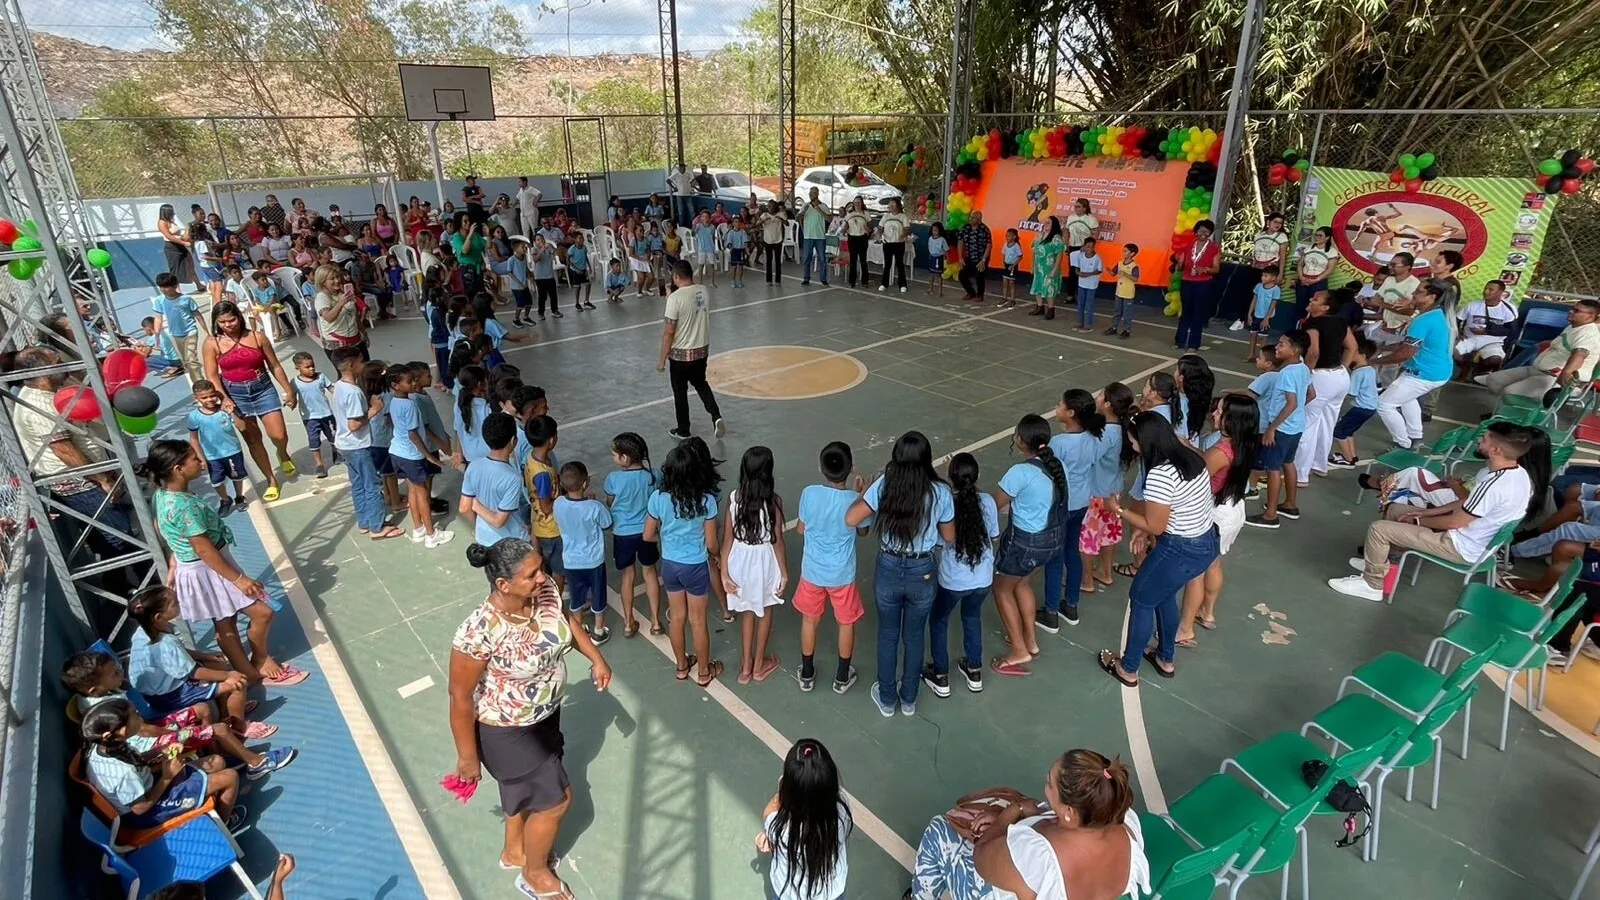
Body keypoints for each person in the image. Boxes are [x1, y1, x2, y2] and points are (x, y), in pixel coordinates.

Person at [448, 538, 611, 900]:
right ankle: (534, 875)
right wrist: (467, 757)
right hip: (506, 730)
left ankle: (514, 851)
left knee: (524, 791)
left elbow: (564, 619)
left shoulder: (544, 591)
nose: (543, 577)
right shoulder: (478, 631)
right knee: (556, 801)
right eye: (531, 574)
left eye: (541, 568)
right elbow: (460, 697)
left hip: (545, 716)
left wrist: (595, 657)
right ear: (503, 585)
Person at [141, 439, 306, 686]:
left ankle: (246, 675)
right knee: (262, 612)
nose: (200, 461)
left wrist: (174, 561)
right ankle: (260, 660)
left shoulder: (161, 496)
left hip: (195, 567)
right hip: (210, 568)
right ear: (178, 468)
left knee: (224, 620)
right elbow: (204, 549)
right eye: (193, 458)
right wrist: (240, 580)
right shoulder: (185, 506)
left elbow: (164, 530)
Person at [1329, 422, 1544, 602]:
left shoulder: (1493, 484)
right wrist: (1426, 514)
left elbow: (1455, 523)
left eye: (1485, 439)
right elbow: (1467, 503)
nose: (1479, 441)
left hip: (1459, 545)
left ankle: (1372, 584)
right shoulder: (1519, 475)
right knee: (1395, 509)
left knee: (1379, 529)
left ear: (1496, 450)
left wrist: (1419, 522)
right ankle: (1380, 563)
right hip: (1473, 537)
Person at [908, 749, 1150, 900]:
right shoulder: (1124, 822)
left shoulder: (1037, 854)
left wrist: (1015, 810)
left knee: (939, 830)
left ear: (1068, 810)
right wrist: (1035, 813)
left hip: (998, 876)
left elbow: (982, 855)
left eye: (1049, 783)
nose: (1045, 786)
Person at [1097, 413, 1219, 686]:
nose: (1131, 445)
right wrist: (1144, 527)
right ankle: (1165, 657)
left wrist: (1118, 510)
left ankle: (1128, 668)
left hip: (1179, 549)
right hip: (1206, 542)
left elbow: (1156, 525)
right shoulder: (1191, 457)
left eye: (1132, 440)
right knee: (1163, 597)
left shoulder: (1161, 475)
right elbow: (1177, 508)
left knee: (1141, 599)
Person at [847, 431, 956, 718]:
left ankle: (886, 699)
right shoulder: (941, 492)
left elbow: (852, 518)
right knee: (915, 635)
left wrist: (864, 491)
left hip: (889, 566)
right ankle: (909, 699)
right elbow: (949, 536)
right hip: (923, 570)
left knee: (887, 634)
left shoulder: (885, 484)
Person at [124, 586, 281, 742]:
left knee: (217, 665)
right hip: (170, 696)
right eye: (175, 603)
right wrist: (228, 675)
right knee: (239, 683)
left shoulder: (144, 632)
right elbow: (192, 673)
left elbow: (177, 654)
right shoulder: (164, 643)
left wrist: (204, 656)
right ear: (159, 617)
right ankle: (239, 727)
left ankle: (227, 713)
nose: (179, 603)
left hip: (159, 689)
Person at [80, 698, 247, 832]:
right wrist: (168, 777)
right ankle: (225, 825)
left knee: (218, 761)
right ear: (120, 731)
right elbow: (140, 809)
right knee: (230, 777)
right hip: (148, 812)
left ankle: (203, 798)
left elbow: (137, 757)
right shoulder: (122, 773)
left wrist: (163, 750)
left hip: (150, 785)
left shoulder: (107, 744)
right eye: (135, 715)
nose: (139, 716)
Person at [1175, 394, 1259, 647]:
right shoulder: (1242, 443)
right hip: (1232, 508)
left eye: (1220, 412)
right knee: (1213, 563)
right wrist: (1191, 449)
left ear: (1231, 419)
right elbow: (1206, 460)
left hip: (1214, 514)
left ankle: (1186, 629)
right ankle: (1207, 612)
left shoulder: (1222, 450)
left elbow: (1198, 476)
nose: (1214, 414)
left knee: (1195, 573)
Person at [990, 415, 1069, 676]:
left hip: (1025, 544)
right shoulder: (1057, 467)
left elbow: (995, 505)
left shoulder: (1019, 473)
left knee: (1002, 589)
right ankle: (1031, 641)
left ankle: (1019, 649)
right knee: (1021, 583)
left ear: (1021, 441)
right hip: (1053, 541)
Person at [645, 437, 725, 686]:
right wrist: (717, 555)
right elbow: (711, 543)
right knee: (698, 621)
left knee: (677, 618)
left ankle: (681, 666)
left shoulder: (658, 498)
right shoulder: (706, 501)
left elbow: (647, 535)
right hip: (696, 566)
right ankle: (704, 671)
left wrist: (667, 534)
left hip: (670, 565)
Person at [202, 300, 297, 503]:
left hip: (263, 388)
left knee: (278, 434)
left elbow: (275, 365)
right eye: (223, 322)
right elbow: (212, 375)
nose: (228, 325)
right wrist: (224, 398)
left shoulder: (257, 337)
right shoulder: (212, 343)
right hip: (235, 395)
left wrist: (288, 389)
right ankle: (271, 480)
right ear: (216, 322)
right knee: (253, 439)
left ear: (239, 316)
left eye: (232, 319)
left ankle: (283, 453)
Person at [922, 452, 998, 697]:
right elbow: (994, 535)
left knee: (939, 619)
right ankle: (974, 670)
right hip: (983, 577)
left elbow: (937, 542)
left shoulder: (945, 503)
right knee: (972, 616)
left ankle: (941, 674)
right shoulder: (987, 501)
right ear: (977, 476)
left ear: (950, 477)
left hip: (954, 580)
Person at [794, 441, 868, 694]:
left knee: (809, 620)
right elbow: (864, 531)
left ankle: (806, 673)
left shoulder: (809, 493)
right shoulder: (853, 501)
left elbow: (801, 529)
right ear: (851, 469)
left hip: (812, 572)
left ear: (820, 467)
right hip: (841, 575)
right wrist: (862, 498)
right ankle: (842, 676)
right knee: (845, 623)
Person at [719, 446, 787, 684]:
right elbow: (777, 541)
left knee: (747, 611)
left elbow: (727, 539)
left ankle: (745, 668)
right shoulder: (774, 502)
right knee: (765, 610)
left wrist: (724, 572)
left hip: (740, 559)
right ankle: (759, 665)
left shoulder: (734, 498)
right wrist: (785, 574)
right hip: (764, 561)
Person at [1037, 389, 1104, 631]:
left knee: (1055, 557)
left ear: (1071, 413)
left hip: (1063, 504)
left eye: (1060, 404)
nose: (1057, 407)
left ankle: (1051, 611)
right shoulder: (1094, 438)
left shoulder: (1059, 443)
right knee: (1072, 553)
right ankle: (1071, 605)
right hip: (1082, 502)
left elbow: (1050, 471)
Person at [756, 738, 853, 900]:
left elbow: (768, 812)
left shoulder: (778, 827)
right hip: (832, 893)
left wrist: (783, 791)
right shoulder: (843, 810)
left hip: (788, 894)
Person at [1368, 278, 1453, 450]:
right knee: (1408, 398)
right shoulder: (1438, 314)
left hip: (1425, 374)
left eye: (1419, 292)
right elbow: (1407, 345)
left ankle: (1404, 443)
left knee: (1384, 404)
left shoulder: (1424, 320)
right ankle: (1415, 436)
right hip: (1434, 371)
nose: (1413, 294)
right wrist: (1384, 349)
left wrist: (1374, 362)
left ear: (1432, 296)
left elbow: (1405, 353)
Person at [1245, 330, 1310, 528]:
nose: (1277, 347)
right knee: (1288, 463)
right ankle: (1290, 504)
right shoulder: (1303, 368)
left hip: (1281, 428)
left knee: (1273, 469)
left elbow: (1290, 403)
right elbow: (1311, 394)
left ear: (1295, 350)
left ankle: (1270, 514)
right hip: (1296, 426)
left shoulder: (1286, 373)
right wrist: (1297, 412)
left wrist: (1272, 428)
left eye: (1282, 344)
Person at [1475, 298, 1600, 400]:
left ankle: (1512, 421)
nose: (1571, 311)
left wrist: (1566, 373)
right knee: (1494, 380)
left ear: (1591, 317)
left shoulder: (1587, 333)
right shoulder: (1573, 327)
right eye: (1573, 308)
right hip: (1538, 369)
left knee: (1511, 392)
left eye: (1577, 311)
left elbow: (1580, 354)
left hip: (1553, 377)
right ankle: (1503, 412)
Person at [1293, 290, 1357, 484]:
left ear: (1325, 307)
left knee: (1307, 424)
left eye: (1315, 299)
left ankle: (1300, 473)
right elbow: (1352, 347)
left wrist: (1306, 375)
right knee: (1328, 422)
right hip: (1339, 376)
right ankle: (1319, 465)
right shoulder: (1340, 322)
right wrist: (1343, 368)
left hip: (1320, 376)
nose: (1311, 300)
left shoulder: (1313, 324)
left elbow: (1313, 353)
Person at [658, 260, 725, 441]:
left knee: (680, 392)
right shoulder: (703, 291)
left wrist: (662, 358)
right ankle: (716, 415)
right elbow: (689, 304)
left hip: (680, 355)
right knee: (701, 384)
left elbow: (669, 331)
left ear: (676, 276)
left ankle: (683, 429)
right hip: (700, 351)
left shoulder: (675, 299)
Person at [605, 432, 663, 637]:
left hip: (622, 534)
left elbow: (610, 502)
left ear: (624, 458)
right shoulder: (653, 476)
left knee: (627, 576)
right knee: (650, 573)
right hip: (647, 532)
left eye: (614, 454)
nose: (613, 458)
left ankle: (629, 622)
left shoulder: (613, 479)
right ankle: (656, 622)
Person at [1082, 383, 1134, 591]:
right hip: (1114, 491)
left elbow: (1088, 457)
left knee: (1088, 537)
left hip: (1097, 493)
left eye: (1101, 395)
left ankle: (1086, 580)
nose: (1097, 396)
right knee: (1108, 532)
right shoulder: (1122, 428)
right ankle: (1105, 572)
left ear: (1108, 404)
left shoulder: (1106, 433)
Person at [554, 461, 612, 641]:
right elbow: (607, 523)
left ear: (562, 484)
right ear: (586, 483)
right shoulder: (594, 507)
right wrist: (594, 502)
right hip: (593, 560)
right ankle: (599, 630)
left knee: (576, 597)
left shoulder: (558, 503)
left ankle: (578, 630)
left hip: (571, 560)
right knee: (599, 595)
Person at [186, 381, 249, 514]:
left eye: (212, 395)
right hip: (212, 456)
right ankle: (225, 499)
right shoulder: (194, 416)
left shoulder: (225, 410)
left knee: (237, 476)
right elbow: (193, 439)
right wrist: (201, 458)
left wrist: (232, 413)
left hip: (233, 451)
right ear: (196, 398)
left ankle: (239, 497)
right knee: (217, 481)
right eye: (204, 397)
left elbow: (242, 427)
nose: (209, 399)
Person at [1330, 337, 1381, 468]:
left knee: (1339, 432)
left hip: (1360, 407)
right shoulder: (1370, 369)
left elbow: (1350, 392)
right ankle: (1352, 456)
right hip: (1370, 408)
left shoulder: (1358, 372)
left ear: (1362, 355)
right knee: (1348, 431)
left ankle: (1347, 459)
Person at [1453, 280, 1517, 376]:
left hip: (1492, 342)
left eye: (1491, 290)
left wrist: (1487, 331)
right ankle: (1465, 368)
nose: (1486, 292)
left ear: (1500, 292)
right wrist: (1458, 334)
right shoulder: (1473, 305)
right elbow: (1457, 320)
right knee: (1451, 351)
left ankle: (1478, 372)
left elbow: (1511, 331)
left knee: (1494, 360)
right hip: (1469, 338)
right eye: (1486, 289)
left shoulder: (1508, 309)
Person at [1174, 220, 1220, 351]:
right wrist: (1179, 264)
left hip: (1204, 283)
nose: (1203, 233)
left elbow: (1216, 269)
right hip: (1187, 281)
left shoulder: (1214, 248)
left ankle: (1194, 344)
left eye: (1207, 231)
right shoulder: (1189, 245)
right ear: (1196, 231)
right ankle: (1179, 341)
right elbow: (1180, 265)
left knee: (1198, 313)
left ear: (1210, 233)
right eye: (1201, 230)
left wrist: (1205, 269)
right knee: (1185, 312)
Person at [152, 272, 203, 381]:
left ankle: (199, 383)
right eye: (161, 287)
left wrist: (208, 332)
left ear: (175, 286)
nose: (164, 289)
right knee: (185, 360)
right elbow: (158, 318)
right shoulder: (159, 301)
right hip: (175, 334)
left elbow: (198, 315)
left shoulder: (186, 299)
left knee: (191, 359)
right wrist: (156, 336)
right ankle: (194, 379)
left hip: (190, 331)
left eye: (167, 286)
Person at [1029, 216, 1065, 320]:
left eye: (1048, 223)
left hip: (1049, 267)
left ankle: (1051, 309)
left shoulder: (1056, 238)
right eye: (1045, 222)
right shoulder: (1039, 236)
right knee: (1038, 287)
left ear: (1054, 225)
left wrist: (1054, 270)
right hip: (1039, 267)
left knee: (1049, 289)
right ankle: (1039, 307)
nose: (1045, 224)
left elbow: (1059, 255)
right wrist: (1032, 266)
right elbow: (1034, 251)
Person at [1246, 266, 1281, 361]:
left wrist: (1266, 318)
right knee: (1253, 335)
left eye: (1266, 276)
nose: (1263, 278)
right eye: (1262, 275)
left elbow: (1273, 305)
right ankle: (1251, 355)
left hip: (1266, 317)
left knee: (1262, 338)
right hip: (1256, 315)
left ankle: (1262, 357)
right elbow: (1254, 300)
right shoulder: (1258, 286)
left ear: (1273, 278)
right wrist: (1250, 313)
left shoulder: (1276, 289)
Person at [156, 203, 195, 286]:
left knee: (189, 264)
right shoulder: (162, 222)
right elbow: (169, 236)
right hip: (172, 247)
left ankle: (198, 284)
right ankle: (176, 288)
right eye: (171, 211)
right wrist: (183, 243)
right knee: (175, 269)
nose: (173, 212)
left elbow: (178, 234)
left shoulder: (171, 221)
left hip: (180, 245)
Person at [957, 212, 992, 302]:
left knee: (980, 276)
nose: (971, 219)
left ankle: (980, 295)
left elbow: (989, 245)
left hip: (981, 257)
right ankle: (971, 292)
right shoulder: (966, 228)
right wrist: (960, 257)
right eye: (971, 217)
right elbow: (960, 241)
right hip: (969, 256)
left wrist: (984, 260)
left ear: (979, 219)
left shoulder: (984, 229)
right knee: (962, 275)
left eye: (973, 218)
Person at [878, 198, 911, 292]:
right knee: (887, 264)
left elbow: (907, 230)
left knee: (900, 264)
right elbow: (880, 227)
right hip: (887, 243)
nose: (891, 205)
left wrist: (903, 235)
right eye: (890, 204)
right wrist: (879, 234)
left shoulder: (903, 217)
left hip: (899, 244)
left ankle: (902, 285)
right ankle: (884, 284)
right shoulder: (886, 216)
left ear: (898, 205)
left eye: (893, 203)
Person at [1070, 237, 1104, 332]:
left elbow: (1099, 270)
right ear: (1084, 246)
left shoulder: (1097, 258)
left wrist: (1088, 274)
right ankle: (1080, 322)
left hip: (1091, 285)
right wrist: (1078, 273)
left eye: (1091, 247)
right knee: (1080, 303)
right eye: (1087, 247)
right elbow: (1076, 264)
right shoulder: (1080, 255)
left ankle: (1088, 324)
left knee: (1088, 304)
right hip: (1082, 284)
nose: (1089, 249)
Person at [1107, 243, 1139, 338]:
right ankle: (1114, 327)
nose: (1123, 253)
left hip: (1128, 293)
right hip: (1119, 292)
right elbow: (1113, 273)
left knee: (1127, 313)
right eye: (1123, 251)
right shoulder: (1120, 263)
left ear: (1132, 253)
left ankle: (1126, 330)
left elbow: (1135, 279)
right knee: (1117, 311)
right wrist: (1109, 270)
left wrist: (1126, 274)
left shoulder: (1134, 266)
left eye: (1126, 251)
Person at [800, 188, 831, 286]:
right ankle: (806, 278)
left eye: (813, 193)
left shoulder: (823, 206)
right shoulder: (805, 206)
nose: (811, 195)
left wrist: (820, 210)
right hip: (808, 236)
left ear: (817, 194)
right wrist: (803, 211)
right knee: (807, 259)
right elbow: (797, 218)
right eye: (810, 193)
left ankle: (823, 279)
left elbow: (830, 218)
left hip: (820, 236)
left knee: (822, 259)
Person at [842, 198, 872, 288]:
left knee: (863, 260)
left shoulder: (866, 214)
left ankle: (865, 281)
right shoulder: (850, 214)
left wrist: (868, 229)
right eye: (855, 203)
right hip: (852, 238)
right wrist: (844, 230)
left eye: (859, 203)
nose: (857, 204)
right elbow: (846, 225)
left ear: (862, 203)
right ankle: (852, 281)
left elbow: (870, 226)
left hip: (862, 238)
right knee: (853, 260)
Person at [761, 201, 788, 285]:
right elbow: (757, 224)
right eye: (769, 206)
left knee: (777, 261)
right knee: (768, 261)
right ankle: (769, 280)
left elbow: (787, 223)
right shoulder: (765, 215)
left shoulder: (780, 214)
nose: (770, 208)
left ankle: (778, 280)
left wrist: (781, 219)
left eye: (772, 206)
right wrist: (764, 220)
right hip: (767, 240)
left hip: (778, 240)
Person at [567, 232, 593, 310]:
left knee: (588, 284)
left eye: (582, 238)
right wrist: (576, 269)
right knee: (577, 287)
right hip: (575, 270)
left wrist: (589, 266)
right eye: (579, 238)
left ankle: (586, 301)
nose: (582, 239)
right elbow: (568, 261)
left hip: (583, 269)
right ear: (575, 240)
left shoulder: (584, 247)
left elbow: (585, 257)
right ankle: (577, 303)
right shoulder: (572, 249)